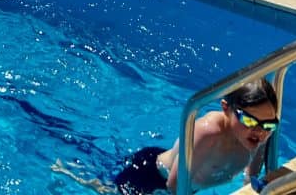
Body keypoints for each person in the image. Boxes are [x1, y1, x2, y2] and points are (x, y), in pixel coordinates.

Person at [114, 79, 279, 194]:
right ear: (226, 108)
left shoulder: (259, 133)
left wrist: (250, 185)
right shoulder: (208, 133)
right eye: (249, 120)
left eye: (268, 125)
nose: (260, 132)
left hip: (189, 182)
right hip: (150, 176)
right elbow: (174, 185)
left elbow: (252, 176)